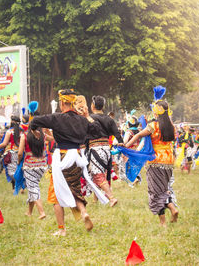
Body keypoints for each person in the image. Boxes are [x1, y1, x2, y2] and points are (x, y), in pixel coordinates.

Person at [30, 89, 100, 236]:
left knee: (56, 193)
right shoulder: (82, 119)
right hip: (77, 156)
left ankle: (61, 229)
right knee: (74, 189)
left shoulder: (57, 118)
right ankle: (84, 212)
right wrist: (87, 116)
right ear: (73, 103)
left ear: (62, 103)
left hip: (61, 156)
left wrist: (36, 131)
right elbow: (95, 129)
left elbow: (35, 121)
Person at [124, 99, 178, 227]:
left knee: (155, 191)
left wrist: (125, 146)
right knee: (164, 189)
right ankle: (172, 208)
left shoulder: (153, 126)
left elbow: (137, 136)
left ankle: (164, 221)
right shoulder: (171, 126)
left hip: (155, 161)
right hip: (169, 161)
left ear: (156, 112)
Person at [87, 95, 122, 206]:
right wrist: (121, 143)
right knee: (102, 173)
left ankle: (111, 197)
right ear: (103, 106)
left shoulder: (89, 118)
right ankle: (96, 199)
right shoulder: (109, 119)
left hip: (95, 148)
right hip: (107, 149)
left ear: (93, 106)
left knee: (97, 174)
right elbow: (117, 134)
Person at [17, 125, 48, 219]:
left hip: (30, 165)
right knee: (32, 186)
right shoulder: (43, 135)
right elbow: (53, 138)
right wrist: (46, 129)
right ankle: (29, 212)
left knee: (33, 187)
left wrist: (18, 162)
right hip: (42, 165)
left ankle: (41, 212)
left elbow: (19, 153)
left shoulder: (25, 136)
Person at [0, 115, 22, 189]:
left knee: (11, 171)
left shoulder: (9, 132)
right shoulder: (22, 131)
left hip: (11, 153)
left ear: (12, 122)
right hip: (20, 152)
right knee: (18, 169)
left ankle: (20, 183)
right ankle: (15, 187)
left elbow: (4, 143)